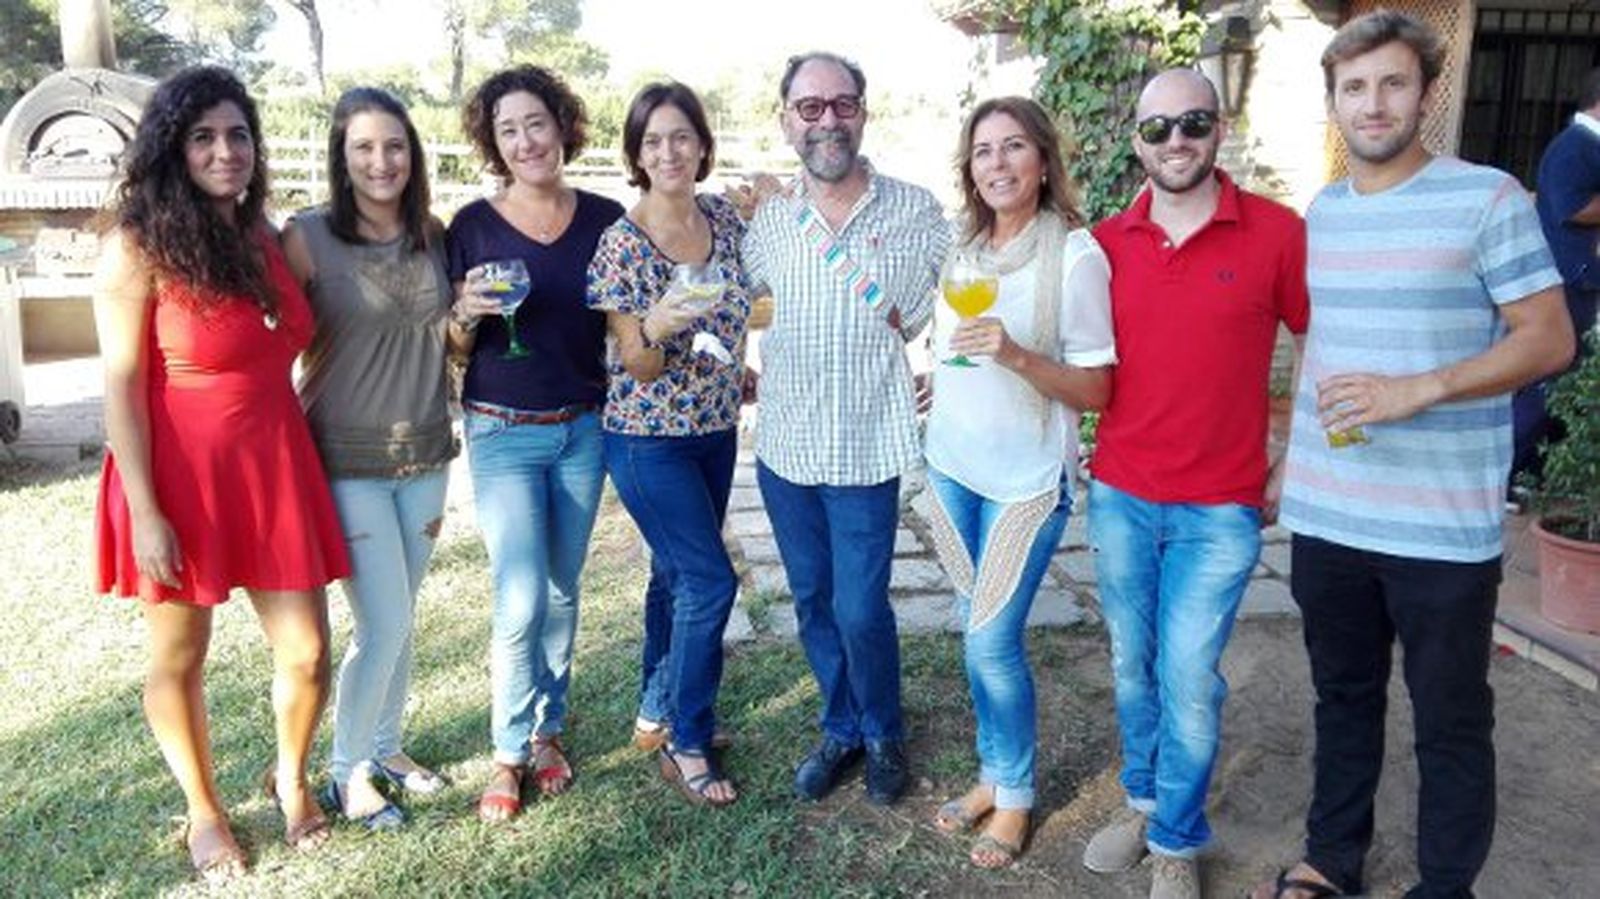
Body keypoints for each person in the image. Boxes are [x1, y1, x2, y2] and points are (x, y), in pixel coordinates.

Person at [1258, 12, 1573, 899]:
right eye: (1354, 87)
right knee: (1342, 698)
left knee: (1451, 719)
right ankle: (1331, 857)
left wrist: (1420, 388)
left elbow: (1549, 340)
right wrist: (1289, 456)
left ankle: (1444, 886)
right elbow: (1325, 344)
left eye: (1392, 83)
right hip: (1329, 512)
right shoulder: (1320, 211)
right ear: (1333, 102)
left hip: (1440, 524)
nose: (1374, 103)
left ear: (1425, 92)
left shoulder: (1489, 198)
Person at [91, 66, 346, 880]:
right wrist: (146, 510)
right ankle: (204, 810)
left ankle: (291, 780)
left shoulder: (265, 237)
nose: (225, 151)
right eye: (203, 136)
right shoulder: (136, 248)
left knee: (306, 649)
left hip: (273, 463)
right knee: (180, 652)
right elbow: (122, 389)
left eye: (238, 135)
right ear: (173, 148)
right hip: (177, 476)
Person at [1082, 68, 1310, 899]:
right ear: (1136, 139)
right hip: (1121, 492)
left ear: (1220, 126)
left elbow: (1314, 337)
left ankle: (1177, 837)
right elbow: (1076, 353)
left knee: (1186, 672)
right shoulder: (1103, 244)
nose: (1176, 140)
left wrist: (1296, 449)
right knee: (1132, 664)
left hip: (1222, 503)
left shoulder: (1280, 232)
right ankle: (1145, 804)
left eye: (1193, 122)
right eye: (1157, 128)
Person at [742, 51, 949, 806]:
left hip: (867, 444)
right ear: (787, 119)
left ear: (863, 110)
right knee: (811, 599)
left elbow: (966, 294)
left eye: (841, 103)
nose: (827, 119)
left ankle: (885, 731)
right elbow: (724, 297)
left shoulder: (916, 209)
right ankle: (842, 727)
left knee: (861, 607)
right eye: (809, 107)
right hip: (788, 447)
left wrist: (949, 370)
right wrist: (722, 362)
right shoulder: (766, 219)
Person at [921, 96, 1115, 868]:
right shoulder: (962, 247)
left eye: (1012, 148)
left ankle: (1019, 793)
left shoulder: (1076, 256)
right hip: (950, 467)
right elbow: (947, 346)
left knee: (991, 639)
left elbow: (1098, 390)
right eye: (982, 151)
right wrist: (935, 381)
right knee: (974, 630)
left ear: (1042, 160)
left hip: (1026, 479)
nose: (996, 164)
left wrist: (1017, 355)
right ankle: (992, 774)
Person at [446, 64, 624, 823]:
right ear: (494, 142)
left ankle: (550, 728)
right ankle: (508, 748)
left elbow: (627, 321)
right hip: (503, 430)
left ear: (563, 125)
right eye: (508, 129)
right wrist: (463, 310)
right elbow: (455, 348)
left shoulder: (608, 218)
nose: (525, 141)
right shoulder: (472, 226)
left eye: (536, 124)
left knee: (560, 590)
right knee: (518, 598)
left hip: (582, 430)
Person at [282, 87, 456, 831]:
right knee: (380, 623)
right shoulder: (308, 237)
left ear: (412, 154)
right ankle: (346, 771)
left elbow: (446, 336)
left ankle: (388, 748)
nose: (381, 161)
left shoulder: (434, 233)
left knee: (402, 617)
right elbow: (267, 336)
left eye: (394, 146)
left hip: (427, 453)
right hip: (344, 460)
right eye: (364, 147)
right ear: (341, 158)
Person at [585, 82, 752, 808]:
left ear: (701, 144)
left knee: (673, 577)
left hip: (714, 431)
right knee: (711, 580)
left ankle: (656, 710)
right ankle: (688, 736)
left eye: (681, 136)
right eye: (652, 141)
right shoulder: (621, 245)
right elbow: (640, 365)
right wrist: (653, 325)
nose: (668, 151)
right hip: (648, 442)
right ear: (636, 154)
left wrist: (730, 358)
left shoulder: (722, 217)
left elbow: (743, 303)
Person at [1514, 67, 1600, 482]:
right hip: (1568, 279)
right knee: (1549, 374)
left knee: (1569, 379)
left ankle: (1539, 471)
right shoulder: (1575, 147)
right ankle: (1510, 471)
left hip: (1582, 277)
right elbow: (1573, 207)